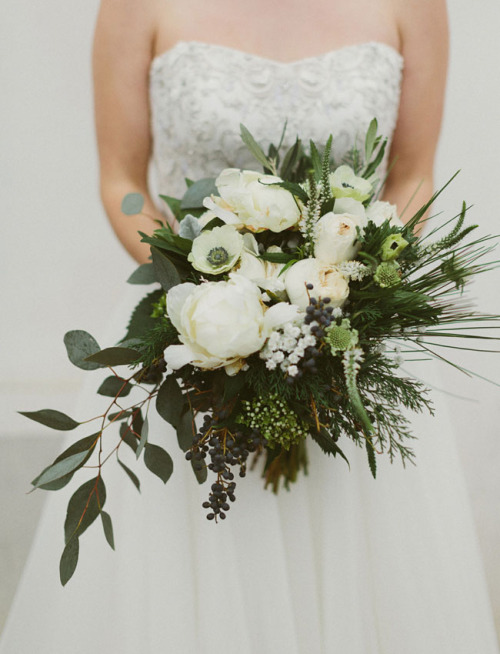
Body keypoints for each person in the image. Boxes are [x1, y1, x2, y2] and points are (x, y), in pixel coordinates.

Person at [1, 0, 498, 652]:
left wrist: (350, 280)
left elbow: (412, 177)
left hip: (351, 354)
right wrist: (206, 282)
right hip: (192, 342)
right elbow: (122, 184)